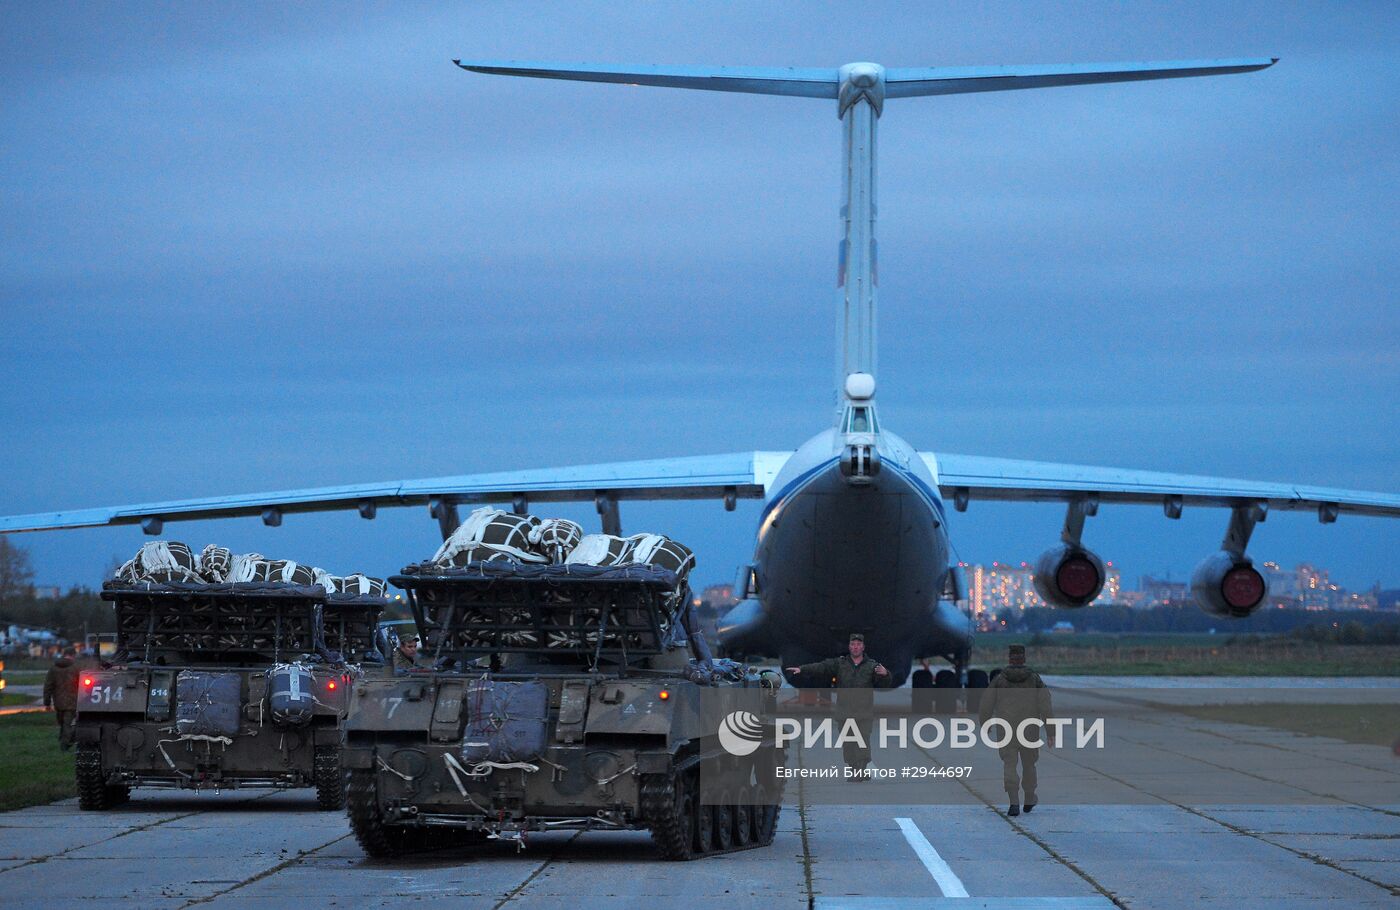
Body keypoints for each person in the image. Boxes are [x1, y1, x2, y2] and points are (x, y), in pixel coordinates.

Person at [786, 633, 895, 777]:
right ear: (849, 647)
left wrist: (886, 673)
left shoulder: (872, 666)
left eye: (858, 644)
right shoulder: (840, 663)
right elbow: (822, 667)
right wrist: (802, 669)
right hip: (844, 712)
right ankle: (854, 766)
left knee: (862, 740)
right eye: (853, 644)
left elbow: (885, 683)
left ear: (863, 647)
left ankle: (860, 770)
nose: (855, 647)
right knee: (849, 743)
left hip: (863, 712)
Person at [978, 643, 1053, 816]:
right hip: (1029, 730)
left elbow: (986, 703)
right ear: (1024, 658)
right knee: (1029, 764)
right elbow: (1045, 705)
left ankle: (1013, 802)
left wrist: (985, 723)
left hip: (1006, 730)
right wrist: (1051, 731)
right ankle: (1029, 798)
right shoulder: (1035, 679)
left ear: (1010, 659)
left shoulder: (999, 679)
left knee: (1009, 765)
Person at [42, 648, 80, 751]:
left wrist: (47, 703)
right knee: (68, 724)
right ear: (72, 655)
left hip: (58, 702)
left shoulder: (53, 668)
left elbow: (48, 686)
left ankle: (64, 740)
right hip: (72, 701)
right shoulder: (75, 668)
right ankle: (65, 746)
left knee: (62, 724)